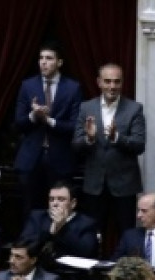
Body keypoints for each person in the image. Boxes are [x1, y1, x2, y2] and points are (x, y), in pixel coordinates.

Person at [73, 64, 145, 237]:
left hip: (124, 184)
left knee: (127, 234)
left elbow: (139, 145)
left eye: (117, 82)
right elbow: (76, 144)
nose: (112, 86)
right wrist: (89, 139)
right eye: (108, 81)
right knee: (91, 235)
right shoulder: (86, 108)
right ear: (99, 82)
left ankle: (126, 265)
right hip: (94, 184)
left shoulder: (134, 109)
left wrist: (116, 138)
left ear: (122, 83)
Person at [13, 41, 82, 209]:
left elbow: (75, 126)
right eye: (41, 58)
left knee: (59, 210)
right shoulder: (28, 86)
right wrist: (34, 116)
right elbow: (18, 123)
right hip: (30, 159)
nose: (43, 62)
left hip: (61, 158)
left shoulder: (73, 88)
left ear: (59, 62)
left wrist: (49, 120)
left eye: (49, 58)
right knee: (30, 208)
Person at [17, 182, 100, 259]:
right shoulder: (37, 217)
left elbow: (87, 253)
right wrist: (49, 233)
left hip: (70, 272)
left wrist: (63, 228)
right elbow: (24, 247)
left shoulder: (86, 223)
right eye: (51, 199)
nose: (55, 203)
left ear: (73, 203)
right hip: (40, 269)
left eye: (61, 199)